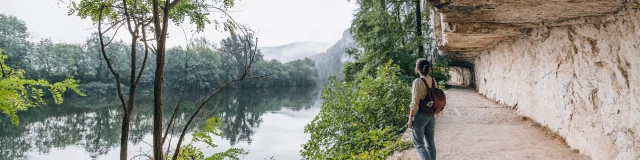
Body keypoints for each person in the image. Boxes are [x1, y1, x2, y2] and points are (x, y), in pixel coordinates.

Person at [407, 58, 437, 160]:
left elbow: (415, 103)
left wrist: (410, 119)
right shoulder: (433, 81)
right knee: (430, 143)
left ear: (417, 68)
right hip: (431, 115)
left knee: (419, 144)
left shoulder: (418, 82)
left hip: (421, 115)